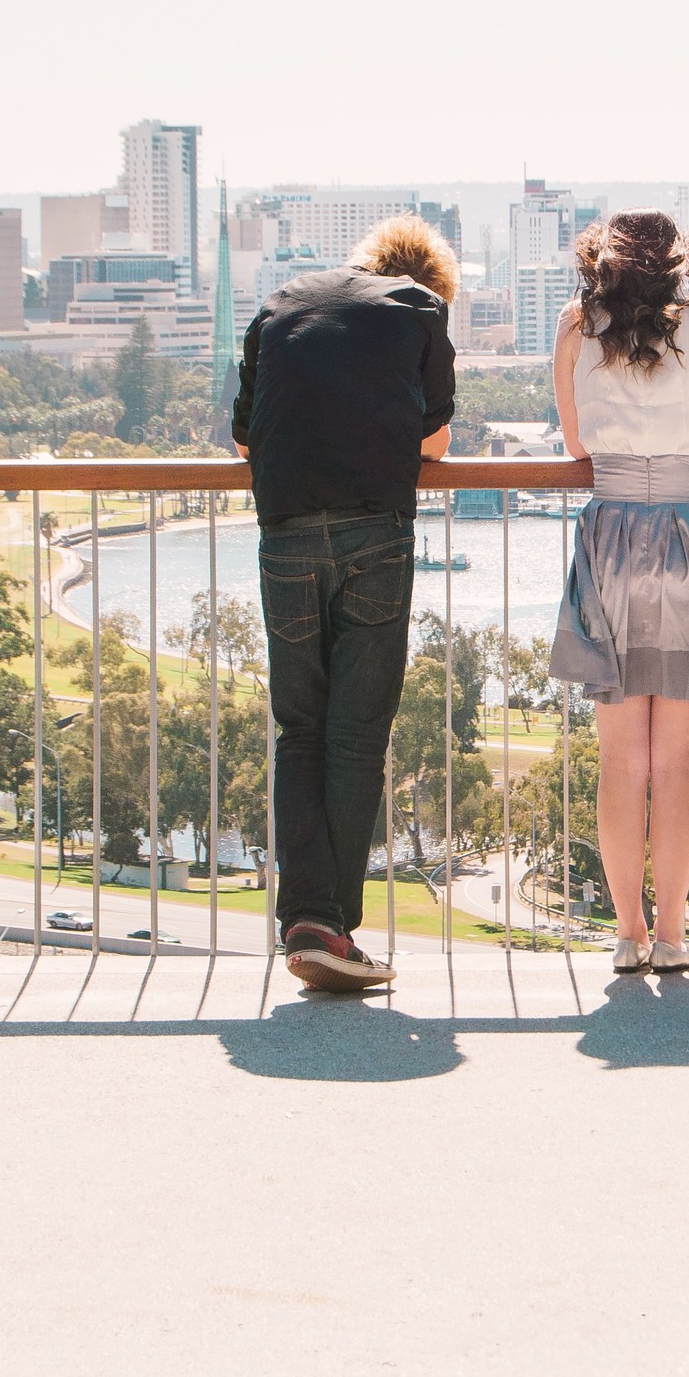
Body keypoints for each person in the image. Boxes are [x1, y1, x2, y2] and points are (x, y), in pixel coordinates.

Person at [232, 215, 457, 992]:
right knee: (356, 735)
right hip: (376, 531)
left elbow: (244, 441)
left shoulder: (280, 307)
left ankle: (307, 921)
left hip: (286, 529)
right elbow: (434, 445)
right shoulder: (422, 311)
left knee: (300, 729)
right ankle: (332, 927)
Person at [550, 210, 689, 974]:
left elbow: (576, 445)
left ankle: (627, 935)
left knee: (618, 761)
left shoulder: (577, 326)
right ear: (680, 261)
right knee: (676, 760)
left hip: (609, 541)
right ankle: (673, 935)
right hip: (688, 536)